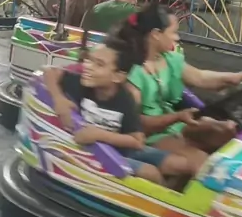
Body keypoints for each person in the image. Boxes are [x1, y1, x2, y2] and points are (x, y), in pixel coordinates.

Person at [121, 4, 242, 174]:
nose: (177, 37)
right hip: (150, 135)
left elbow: (200, 77)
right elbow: (135, 124)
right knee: (202, 163)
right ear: (156, 34)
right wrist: (176, 117)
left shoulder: (169, 59)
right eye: (173, 32)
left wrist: (236, 77)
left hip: (176, 125)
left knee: (226, 131)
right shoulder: (133, 72)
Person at [43, 33, 192, 185]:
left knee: (181, 164)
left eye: (99, 64)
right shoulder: (80, 82)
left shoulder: (125, 99)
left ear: (118, 77)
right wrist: (58, 98)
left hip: (119, 149)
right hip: (96, 153)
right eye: (89, 60)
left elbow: (137, 141)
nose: (87, 66)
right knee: (150, 172)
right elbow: (49, 72)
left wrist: (100, 135)